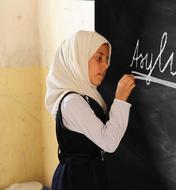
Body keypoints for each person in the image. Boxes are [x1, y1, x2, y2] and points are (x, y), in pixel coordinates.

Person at [45, 30, 135, 190]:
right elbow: (108, 142)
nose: (106, 65)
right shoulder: (72, 102)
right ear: (78, 57)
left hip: (86, 176)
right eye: (99, 58)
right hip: (78, 181)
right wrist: (120, 99)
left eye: (107, 59)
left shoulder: (85, 96)